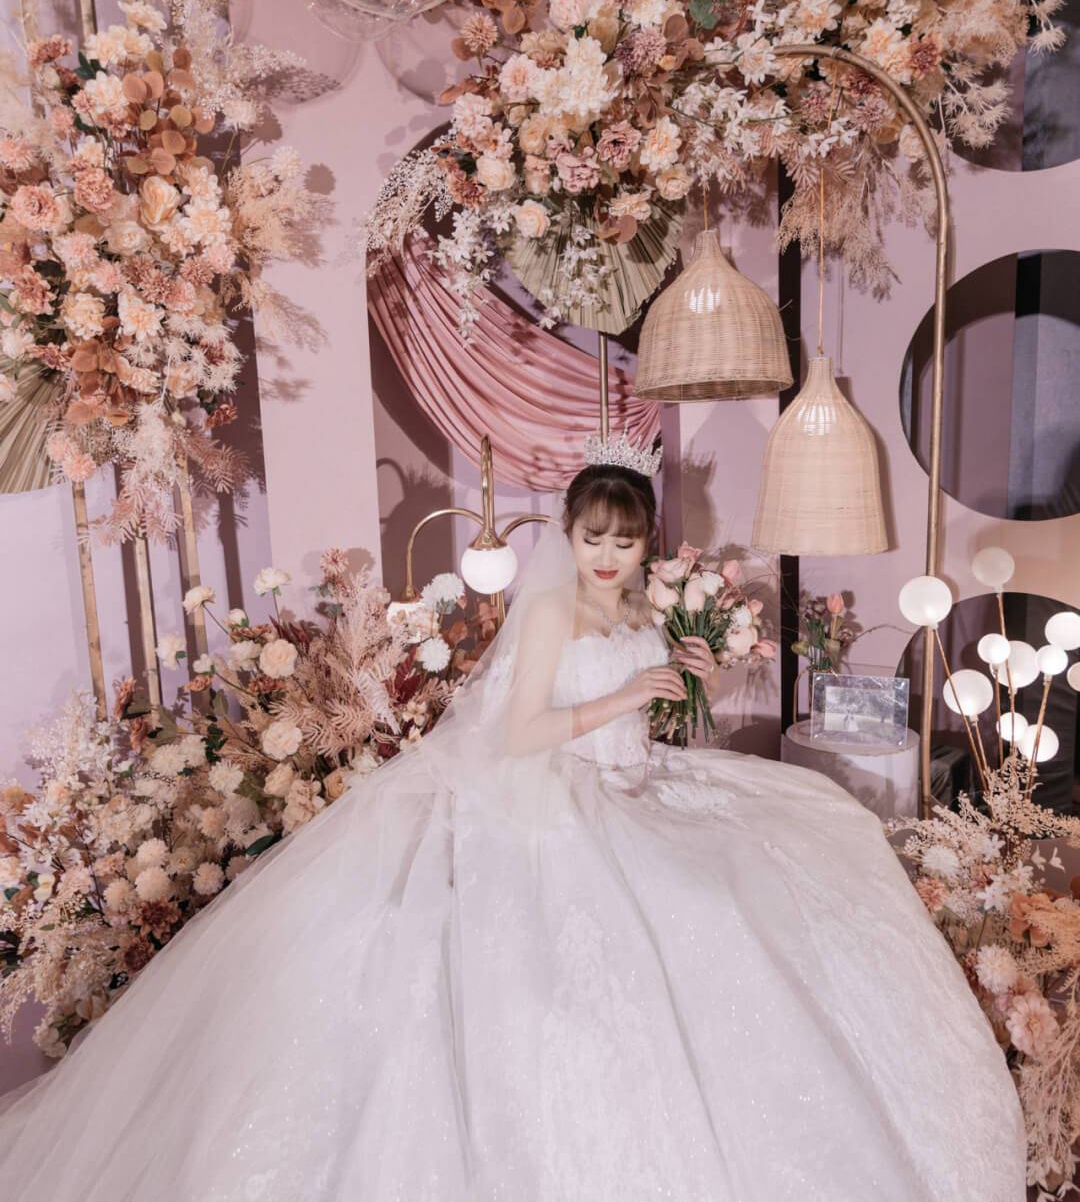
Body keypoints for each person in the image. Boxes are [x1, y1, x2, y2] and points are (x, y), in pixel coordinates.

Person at [0, 435, 1026, 1202]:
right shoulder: (546, 611)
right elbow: (521, 732)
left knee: (803, 840)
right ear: (569, 536)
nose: (608, 557)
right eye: (592, 539)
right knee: (682, 918)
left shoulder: (639, 605)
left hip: (641, 784)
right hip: (562, 798)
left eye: (626, 541)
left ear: (645, 542)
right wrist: (627, 697)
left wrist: (691, 673)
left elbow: (654, 695)